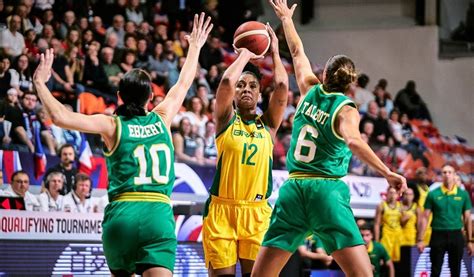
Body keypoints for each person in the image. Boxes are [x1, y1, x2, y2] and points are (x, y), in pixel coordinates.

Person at [32, 13, 212, 276]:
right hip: (158, 215)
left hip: (123, 215)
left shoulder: (112, 125)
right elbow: (184, 82)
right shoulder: (163, 118)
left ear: (119, 96)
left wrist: (39, 82)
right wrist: (194, 46)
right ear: (152, 97)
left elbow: (60, 117)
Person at [252, 1, 407, 276]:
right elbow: (354, 142)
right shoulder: (345, 109)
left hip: (293, 190)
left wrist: (287, 19)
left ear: (324, 74)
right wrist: (387, 172)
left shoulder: (309, 89)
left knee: (262, 274)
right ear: (351, 85)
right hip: (326, 192)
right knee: (363, 274)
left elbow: (297, 51)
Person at [202, 23, 288, 276]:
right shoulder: (225, 119)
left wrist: (275, 50)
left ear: (260, 94)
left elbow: (282, 86)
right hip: (221, 212)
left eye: (252, 86)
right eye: (242, 86)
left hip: (256, 213)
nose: (246, 89)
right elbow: (228, 80)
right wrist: (246, 54)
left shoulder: (269, 125)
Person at [417, 164, 473, 277]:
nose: (447, 175)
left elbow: (467, 218)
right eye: (444, 172)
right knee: (435, 270)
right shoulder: (433, 194)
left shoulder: (463, 194)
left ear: (454, 175)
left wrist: (470, 241)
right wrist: (420, 239)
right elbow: (424, 217)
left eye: (449, 172)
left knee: (456, 270)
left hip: (456, 235)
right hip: (438, 234)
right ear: (441, 176)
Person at [374, 187, 403, 264]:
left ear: (397, 195)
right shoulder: (381, 205)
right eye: (390, 192)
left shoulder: (401, 206)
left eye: (394, 193)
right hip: (386, 235)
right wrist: (376, 241)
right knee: (385, 260)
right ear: (387, 193)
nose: (392, 195)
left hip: (398, 235)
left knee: (397, 261)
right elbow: (376, 224)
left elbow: (403, 222)